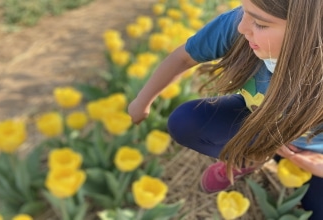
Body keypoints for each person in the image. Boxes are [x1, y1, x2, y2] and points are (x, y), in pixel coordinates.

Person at [128, 0, 323, 218]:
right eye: (244, 12)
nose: (242, 27)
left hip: (316, 153)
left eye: (260, 24)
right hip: (260, 124)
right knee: (186, 121)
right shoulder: (239, 25)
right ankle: (249, 157)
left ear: (311, 32)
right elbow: (183, 57)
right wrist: (141, 102)